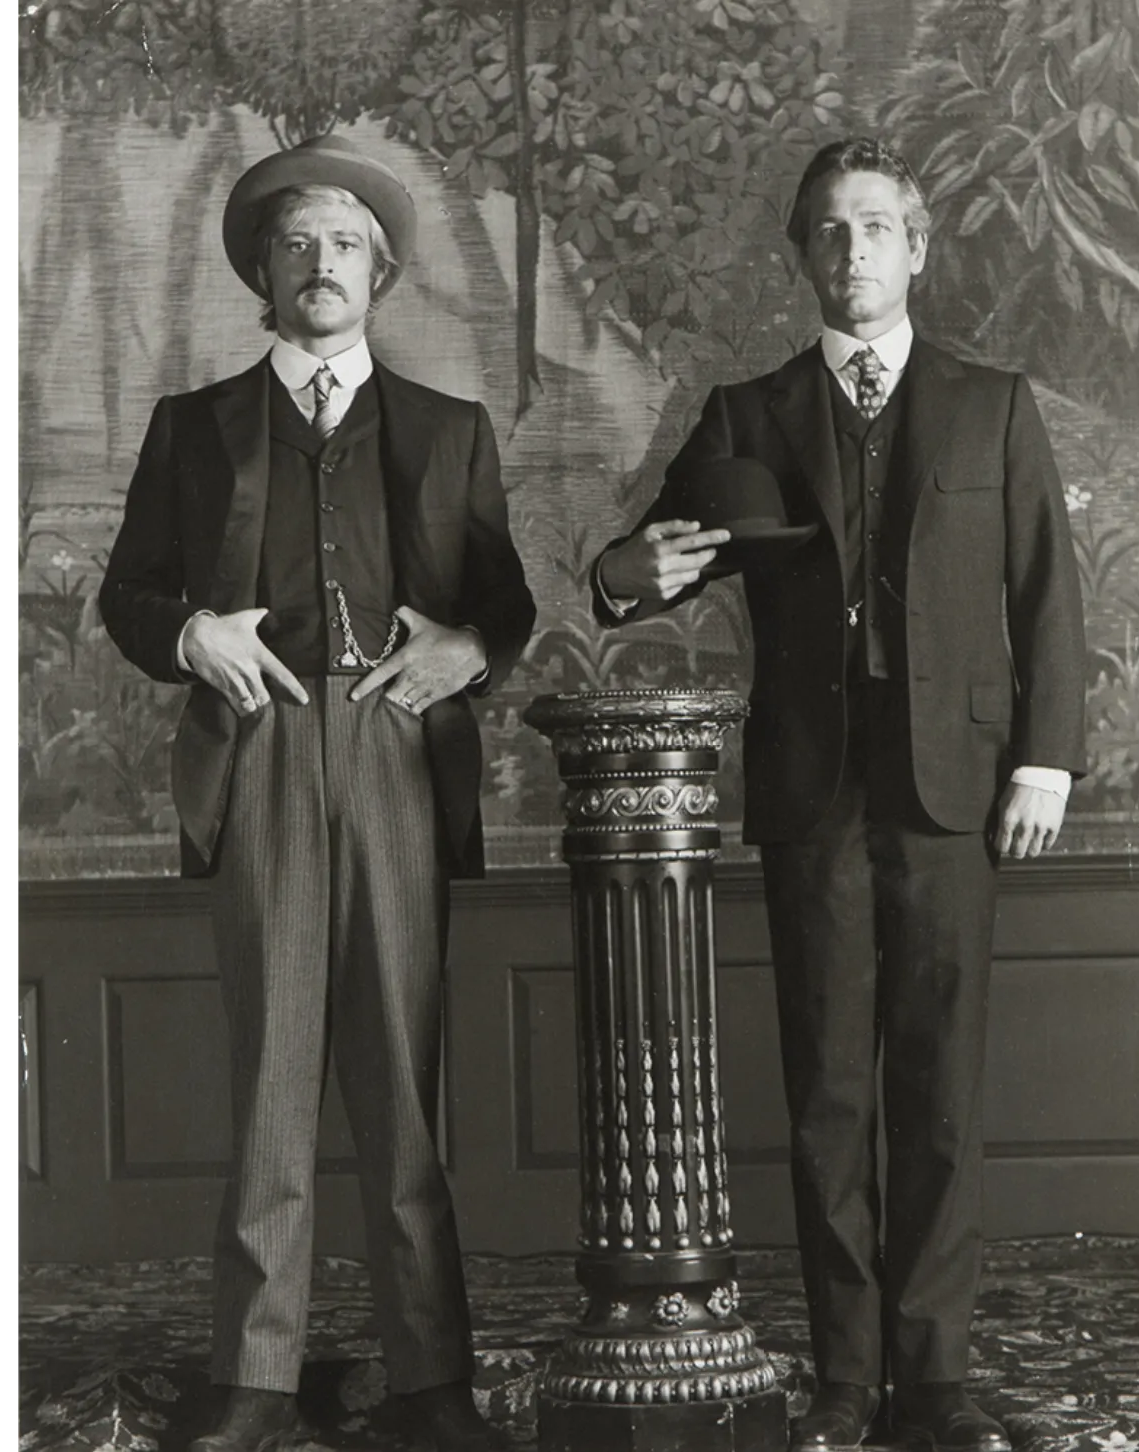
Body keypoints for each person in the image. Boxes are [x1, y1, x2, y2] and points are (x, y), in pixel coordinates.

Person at [591, 138, 1086, 1452]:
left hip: (954, 792)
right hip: (812, 789)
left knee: (938, 1090)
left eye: (875, 226)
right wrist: (628, 574)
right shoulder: (747, 415)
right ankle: (847, 1380)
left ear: (916, 247)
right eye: (828, 229)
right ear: (802, 256)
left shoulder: (992, 406)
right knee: (826, 1095)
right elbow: (645, 564)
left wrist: (1044, 760)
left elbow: (1047, 592)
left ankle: (936, 1380)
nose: (851, 248)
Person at [100, 134, 535, 1452]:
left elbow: (504, 603)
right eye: (295, 244)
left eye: (344, 243)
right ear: (264, 274)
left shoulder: (450, 430)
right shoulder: (194, 428)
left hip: (397, 749)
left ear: (380, 272)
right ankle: (252, 1380)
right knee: (273, 1075)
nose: (320, 262)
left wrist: (469, 651)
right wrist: (192, 634)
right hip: (263, 745)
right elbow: (128, 594)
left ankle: (430, 1378)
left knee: (402, 1074)